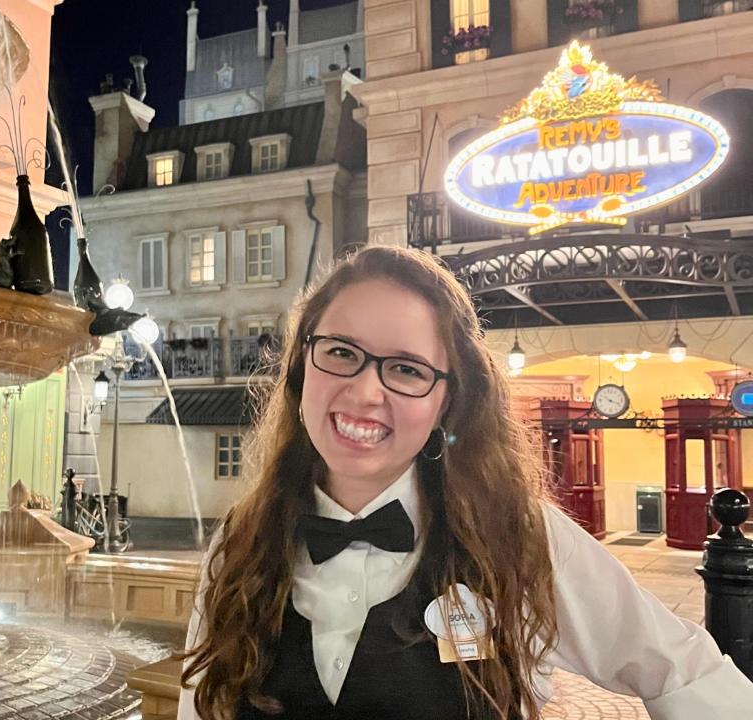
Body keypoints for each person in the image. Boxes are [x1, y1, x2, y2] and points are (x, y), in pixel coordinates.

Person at [177, 245, 753, 719]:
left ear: (447, 400)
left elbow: (683, 669)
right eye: (341, 352)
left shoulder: (519, 537)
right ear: (302, 370)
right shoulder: (239, 541)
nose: (364, 391)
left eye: (406, 368)